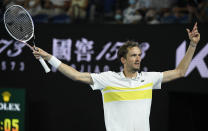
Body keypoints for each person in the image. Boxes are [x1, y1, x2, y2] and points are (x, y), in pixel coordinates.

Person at [33, 23, 200, 131]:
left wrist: (192, 45)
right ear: (123, 59)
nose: (138, 58)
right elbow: (76, 76)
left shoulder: (149, 78)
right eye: (133, 55)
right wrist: (49, 58)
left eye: (139, 55)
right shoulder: (108, 79)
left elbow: (180, 72)